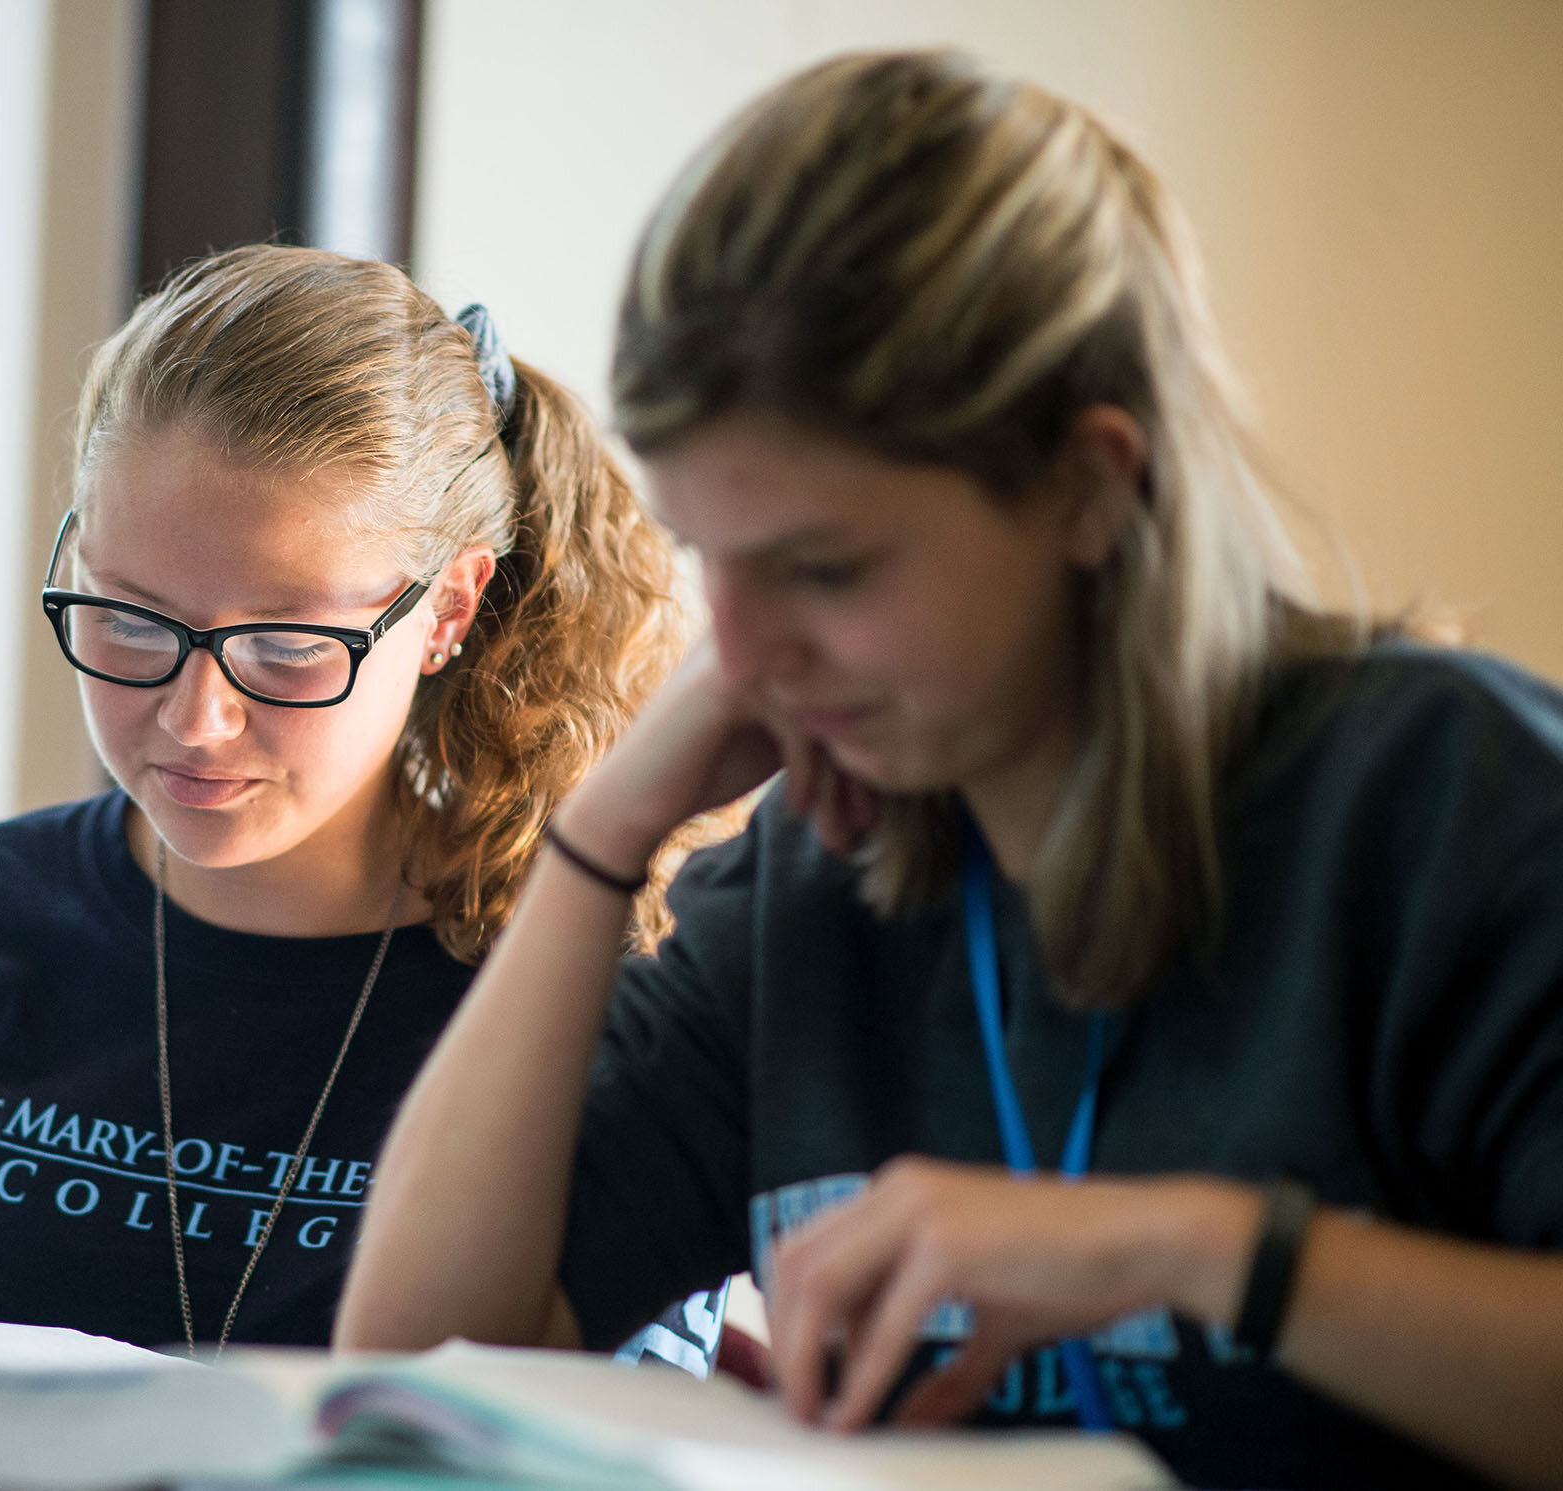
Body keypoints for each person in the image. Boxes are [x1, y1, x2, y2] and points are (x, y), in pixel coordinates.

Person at [335, 49, 1563, 1491]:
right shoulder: (815, 875)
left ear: (1093, 487)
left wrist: (1196, 1248)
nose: (742, 645)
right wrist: (605, 830)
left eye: (825, 565)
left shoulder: (1448, 804)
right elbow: (417, 1360)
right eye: (709, 555)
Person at [0, 245, 690, 1355]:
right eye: (131, 620)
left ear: (447, 609)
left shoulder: (583, 989)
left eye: (285, 646)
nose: (195, 720)